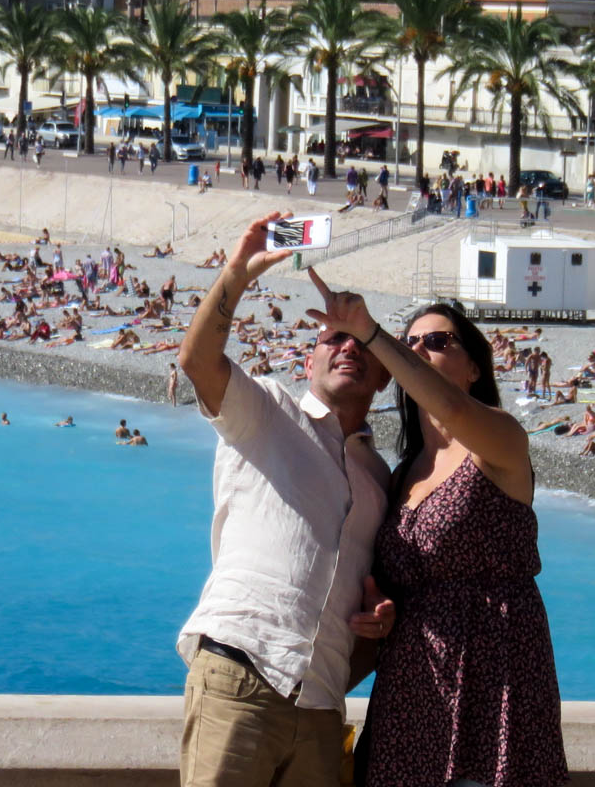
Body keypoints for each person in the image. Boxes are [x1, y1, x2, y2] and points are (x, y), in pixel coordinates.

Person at [304, 273, 567, 787]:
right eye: (412, 343)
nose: (421, 349)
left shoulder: (500, 443)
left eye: (438, 341)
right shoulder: (399, 474)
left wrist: (372, 333)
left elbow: (452, 408)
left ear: (474, 367)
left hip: (495, 683)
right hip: (411, 690)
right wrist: (381, 611)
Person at [174, 212, 396, 787]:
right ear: (308, 361)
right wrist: (238, 273)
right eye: (332, 339)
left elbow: (375, 595)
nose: (347, 348)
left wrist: (378, 619)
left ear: (384, 377)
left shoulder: (381, 480)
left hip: (322, 704)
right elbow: (197, 362)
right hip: (241, 671)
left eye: (361, 341)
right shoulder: (268, 411)